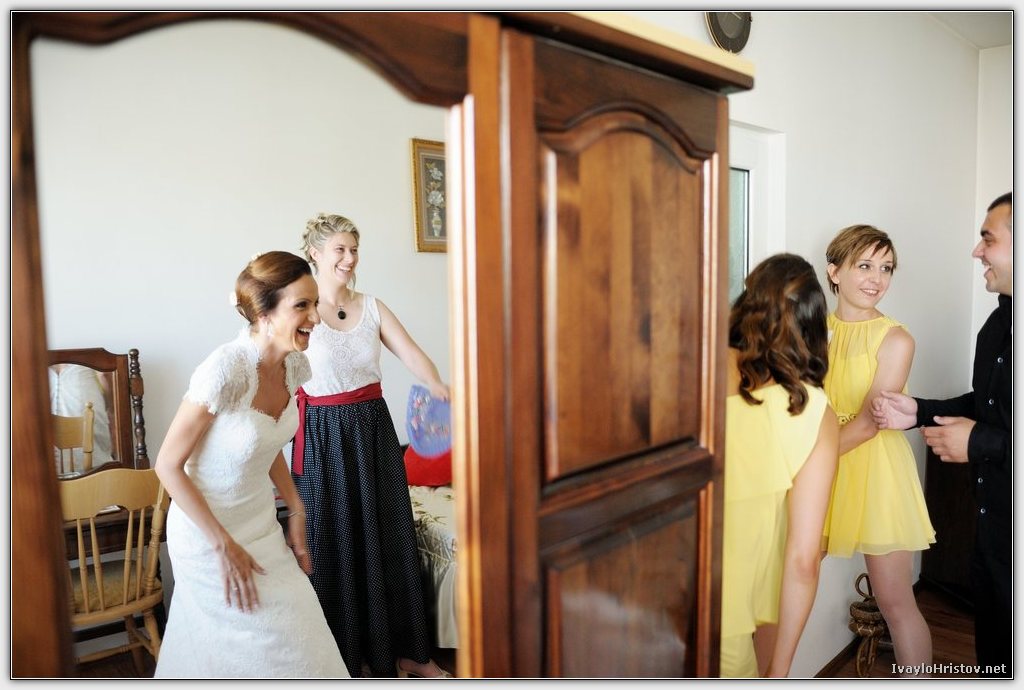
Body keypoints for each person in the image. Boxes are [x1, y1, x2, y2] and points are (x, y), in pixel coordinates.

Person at [154, 251, 350, 678]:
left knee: (303, 634)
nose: (315, 317)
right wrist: (222, 546)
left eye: (315, 303)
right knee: (254, 650)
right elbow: (167, 464)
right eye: (302, 305)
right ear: (264, 313)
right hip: (207, 533)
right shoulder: (224, 370)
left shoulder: (295, 365)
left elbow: (265, 440)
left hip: (259, 525)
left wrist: (296, 507)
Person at [296, 212, 451, 679]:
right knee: (335, 547)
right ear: (315, 254)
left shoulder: (373, 307)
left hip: (374, 431)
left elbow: (412, 354)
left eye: (354, 249)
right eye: (340, 249)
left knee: (391, 539)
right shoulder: (301, 312)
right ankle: (351, 661)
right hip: (322, 437)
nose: (349, 258)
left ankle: (410, 655)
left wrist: (438, 386)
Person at [872, 192, 1012, 677]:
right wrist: (920, 411)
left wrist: (981, 443)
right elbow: (987, 406)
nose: (976, 251)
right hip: (993, 534)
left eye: (987, 239)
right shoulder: (996, 326)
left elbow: (990, 430)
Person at [819, 225, 935, 676]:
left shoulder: (896, 339)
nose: (876, 278)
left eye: (886, 268)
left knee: (894, 601)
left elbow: (870, 423)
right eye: (864, 265)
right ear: (835, 271)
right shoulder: (811, 331)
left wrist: (805, 463)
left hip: (875, 471)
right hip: (822, 468)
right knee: (787, 581)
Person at [720, 253, 839, 677]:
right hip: (725, 618)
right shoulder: (815, 413)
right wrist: (780, 670)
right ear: (813, 324)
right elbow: (804, 560)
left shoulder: (698, 367)